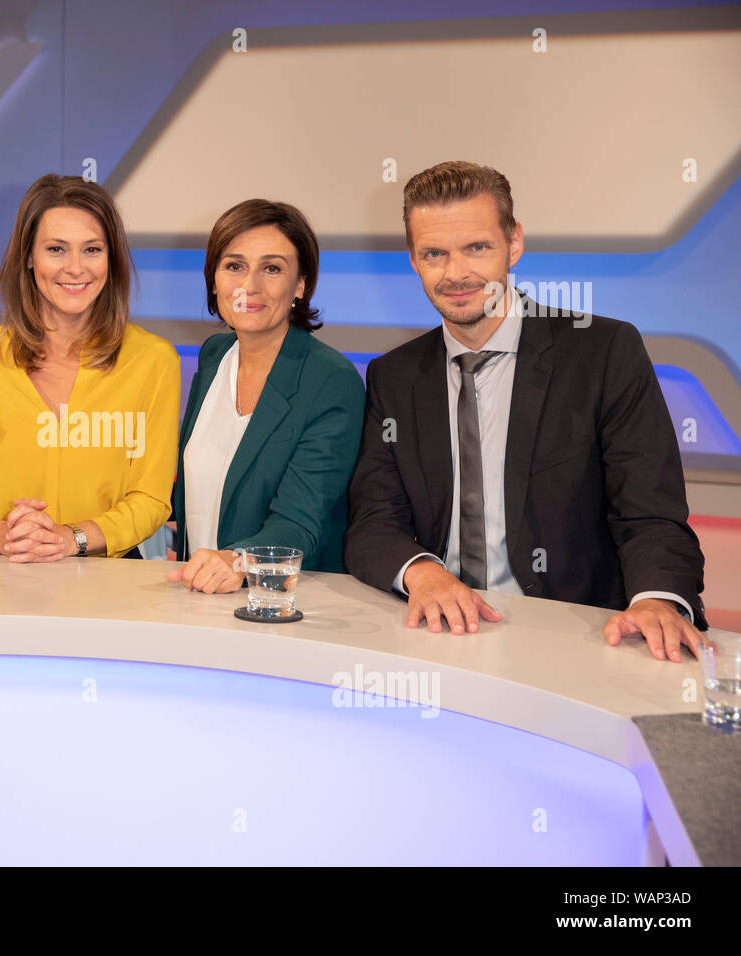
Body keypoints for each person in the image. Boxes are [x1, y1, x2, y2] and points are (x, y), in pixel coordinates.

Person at [344, 160, 707, 662]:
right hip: (436, 634)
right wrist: (423, 573)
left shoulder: (603, 350)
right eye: (434, 253)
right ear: (413, 259)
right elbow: (372, 521)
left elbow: (650, 513)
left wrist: (657, 600)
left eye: (477, 247)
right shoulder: (393, 374)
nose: (456, 273)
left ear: (514, 243)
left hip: (576, 637)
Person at [0, 173, 179, 560]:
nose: (75, 268)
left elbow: (151, 498)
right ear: (29, 259)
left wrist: (71, 538)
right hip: (2, 581)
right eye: (56, 249)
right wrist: (3, 536)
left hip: (109, 588)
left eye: (92, 250)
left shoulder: (153, 361)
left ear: (111, 260)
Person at [167, 200, 363, 593]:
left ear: (301, 284)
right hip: (197, 596)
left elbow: (299, 521)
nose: (249, 286)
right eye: (234, 266)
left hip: (287, 605)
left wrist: (236, 561)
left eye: (272, 268)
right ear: (214, 279)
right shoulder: (213, 356)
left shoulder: (331, 380)